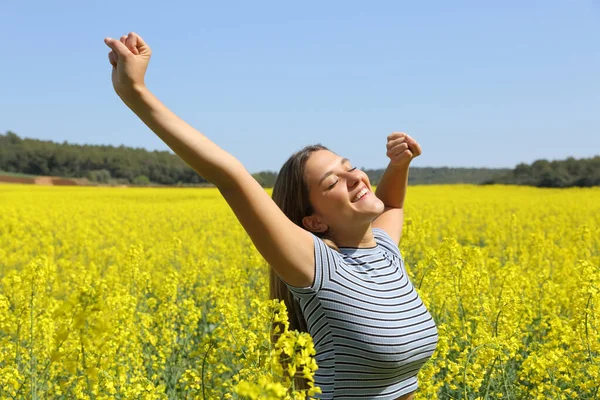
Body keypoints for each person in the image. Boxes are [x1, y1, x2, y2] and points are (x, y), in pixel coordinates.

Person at [104, 32, 438, 400]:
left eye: (350, 166)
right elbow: (231, 177)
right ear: (313, 222)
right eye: (332, 182)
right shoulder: (319, 268)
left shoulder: (385, 252)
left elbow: (391, 206)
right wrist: (135, 92)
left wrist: (398, 164)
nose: (355, 177)